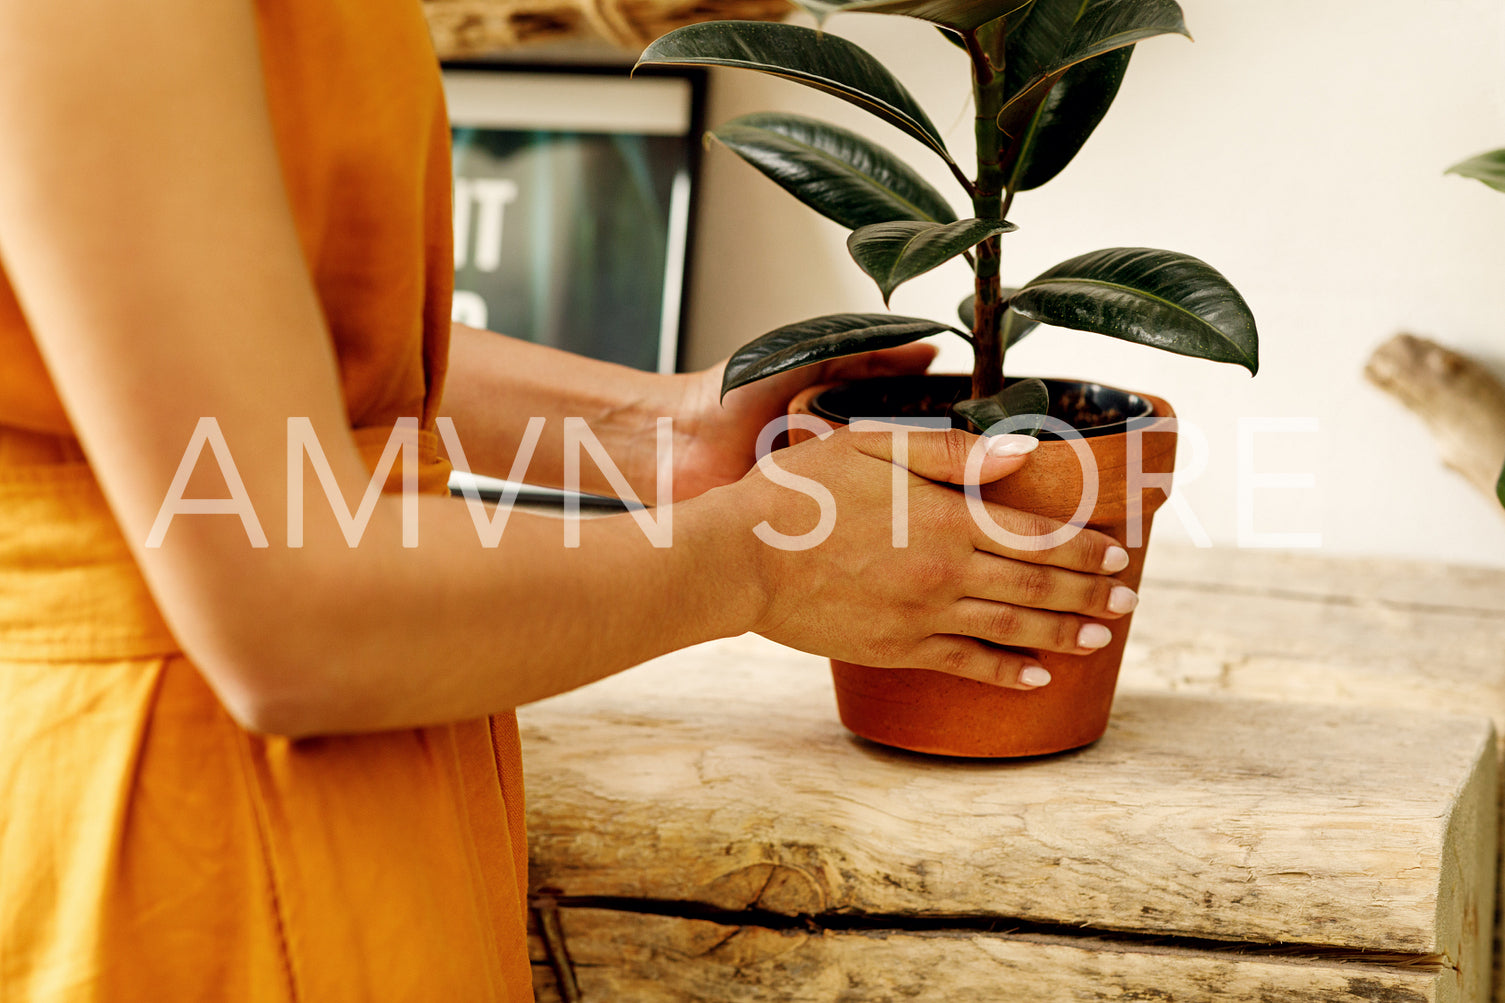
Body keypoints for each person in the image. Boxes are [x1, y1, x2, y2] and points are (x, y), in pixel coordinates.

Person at [0, 0, 1137, 999]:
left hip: (327, 795)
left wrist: (654, 436)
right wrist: (757, 559)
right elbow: (288, 607)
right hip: (186, 842)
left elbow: (240, 346)